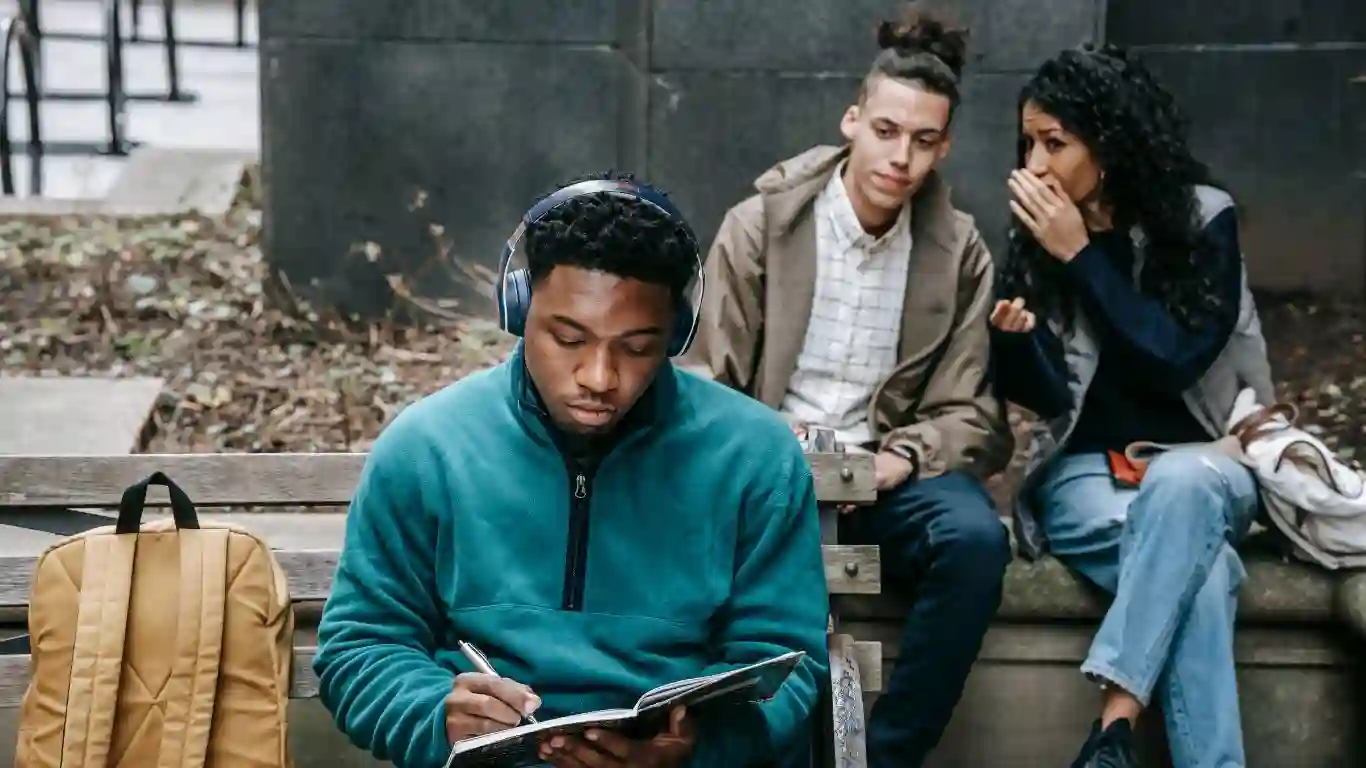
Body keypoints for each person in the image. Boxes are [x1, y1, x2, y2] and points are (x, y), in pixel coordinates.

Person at [313, 172, 832, 768]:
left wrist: (697, 749)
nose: (599, 377)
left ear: (676, 334)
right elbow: (361, 645)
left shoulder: (755, 458)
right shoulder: (425, 449)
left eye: (637, 347)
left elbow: (784, 662)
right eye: (568, 339)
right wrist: (437, 715)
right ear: (519, 310)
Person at [682, 10, 1015, 767]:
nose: (901, 157)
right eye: (887, 131)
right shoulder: (761, 225)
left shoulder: (956, 250)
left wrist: (900, 458)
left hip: (884, 476)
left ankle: (887, 757)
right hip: (770, 472)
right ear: (853, 121)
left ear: (944, 147)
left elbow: (972, 411)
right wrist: (775, 446)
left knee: (973, 541)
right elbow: (702, 380)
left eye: (923, 140)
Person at [991, 44, 1275, 768]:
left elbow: (1173, 358)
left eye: (1056, 143)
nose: (1037, 164)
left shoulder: (1204, 220)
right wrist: (1014, 345)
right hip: (1088, 477)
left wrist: (1082, 256)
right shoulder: (1039, 230)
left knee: (1180, 485)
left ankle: (1113, 721)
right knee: (1204, 575)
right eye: (1028, 143)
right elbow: (1047, 398)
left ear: (1108, 143)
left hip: (1215, 458)